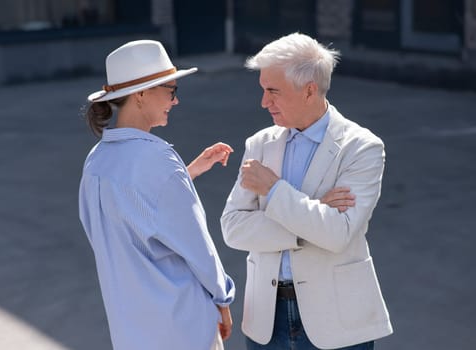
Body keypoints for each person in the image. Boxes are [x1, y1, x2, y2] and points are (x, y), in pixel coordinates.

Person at [220, 33, 393, 350]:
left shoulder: (362, 147)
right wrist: (313, 213)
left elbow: (337, 234)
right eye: (263, 90)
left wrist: (273, 190)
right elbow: (232, 229)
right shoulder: (258, 144)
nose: (263, 102)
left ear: (309, 90)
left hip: (338, 322)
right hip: (265, 323)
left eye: (273, 91)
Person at [79, 40, 235, 350]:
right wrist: (223, 299)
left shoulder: (96, 161)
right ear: (140, 94)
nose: (175, 101)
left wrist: (186, 175)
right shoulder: (157, 160)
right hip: (184, 327)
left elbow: (124, 219)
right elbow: (197, 245)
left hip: (130, 332)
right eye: (171, 91)